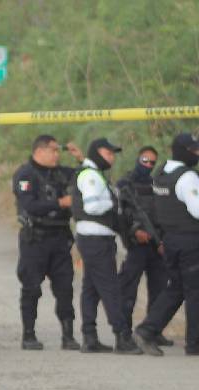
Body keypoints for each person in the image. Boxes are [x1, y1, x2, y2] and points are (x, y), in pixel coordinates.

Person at [135, 133, 199, 356]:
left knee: (176, 288)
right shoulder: (187, 178)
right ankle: (196, 343)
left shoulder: (162, 173)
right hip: (190, 242)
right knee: (195, 291)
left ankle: (146, 331)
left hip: (172, 240)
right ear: (184, 151)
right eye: (195, 150)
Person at [70, 138, 143, 354]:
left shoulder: (94, 173)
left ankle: (89, 337)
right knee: (110, 288)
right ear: (96, 153)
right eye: (107, 153)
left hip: (94, 238)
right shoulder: (91, 176)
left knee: (91, 289)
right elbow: (92, 206)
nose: (111, 157)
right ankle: (122, 337)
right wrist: (113, 202)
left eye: (113, 154)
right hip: (96, 239)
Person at [12, 135, 84, 350]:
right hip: (35, 239)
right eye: (53, 150)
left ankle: (68, 336)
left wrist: (81, 160)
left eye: (58, 150)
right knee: (31, 288)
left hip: (60, 238)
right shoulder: (25, 174)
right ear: (39, 151)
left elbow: (88, 178)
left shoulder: (62, 172)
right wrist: (60, 202)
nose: (57, 154)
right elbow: (29, 205)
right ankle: (28, 335)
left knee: (65, 289)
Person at [116, 147, 173, 346]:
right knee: (128, 288)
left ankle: (153, 331)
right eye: (145, 161)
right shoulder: (125, 184)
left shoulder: (156, 183)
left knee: (159, 289)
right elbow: (121, 216)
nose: (148, 165)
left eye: (151, 162)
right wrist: (134, 232)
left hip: (157, 245)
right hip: (137, 245)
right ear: (138, 158)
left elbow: (163, 213)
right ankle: (124, 332)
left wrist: (163, 241)